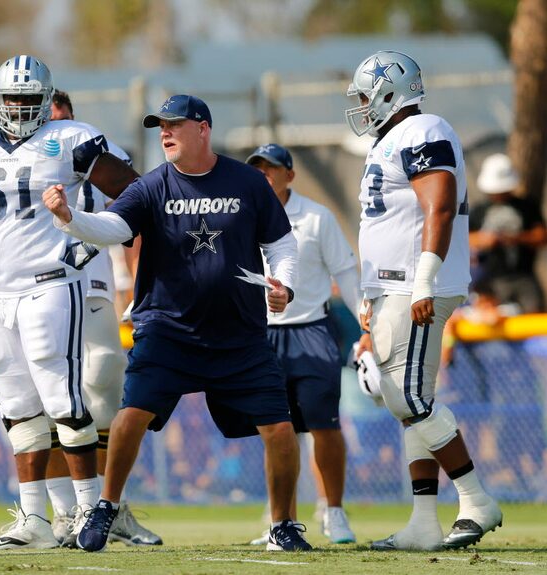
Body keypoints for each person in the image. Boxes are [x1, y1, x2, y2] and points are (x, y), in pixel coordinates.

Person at [44, 94, 311, 553]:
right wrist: (71, 219)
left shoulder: (247, 181)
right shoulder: (152, 185)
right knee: (130, 417)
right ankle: (106, 507)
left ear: (203, 128)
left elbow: (282, 246)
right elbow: (113, 227)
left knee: (280, 429)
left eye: (174, 124)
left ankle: (283, 525)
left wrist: (283, 284)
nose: (164, 133)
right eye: (159, 126)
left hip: (239, 335)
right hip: (168, 331)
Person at [0, 55, 138, 551]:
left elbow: (135, 193)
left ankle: (91, 513)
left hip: (52, 285)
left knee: (62, 398)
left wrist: (89, 239)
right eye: (10, 98)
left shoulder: (72, 138)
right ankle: (34, 519)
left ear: (45, 100)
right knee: (18, 407)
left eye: (28, 100)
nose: (16, 108)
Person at [347, 50, 502, 550]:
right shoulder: (390, 141)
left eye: (367, 95)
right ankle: (423, 521)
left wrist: (424, 281)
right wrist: (369, 304)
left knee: (406, 398)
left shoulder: (423, 129)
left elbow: (439, 203)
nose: (363, 106)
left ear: (391, 90)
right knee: (412, 401)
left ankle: (476, 499)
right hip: (391, 287)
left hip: (413, 286)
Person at [40, 90, 160, 547]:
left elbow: (140, 218)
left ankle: (112, 507)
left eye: (61, 119)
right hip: (37, 287)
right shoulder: (11, 155)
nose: (54, 129)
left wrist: (138, 285)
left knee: (107, 385)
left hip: (93, 282)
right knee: (47, 398)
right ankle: (63, 512)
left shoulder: (100, 154)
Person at [246, 143, 360, 544]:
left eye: (270, 168)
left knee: (323, 426)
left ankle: (334, 510)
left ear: (289, 175)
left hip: (311, 331)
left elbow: (345, 269)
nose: (263, 175)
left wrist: (366, 323)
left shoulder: (316, 216)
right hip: (261, 337)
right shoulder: (242, 215)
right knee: (276, 432)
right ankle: (282, 520)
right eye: (256, 168)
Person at [469, 153, 546, 313]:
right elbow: (465, 239)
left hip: (524, 277)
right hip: (491, 281)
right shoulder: (479, 210)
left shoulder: (526, 206)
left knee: (532, 318)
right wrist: (485, 240)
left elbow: (540, 236)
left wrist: (514, 238)